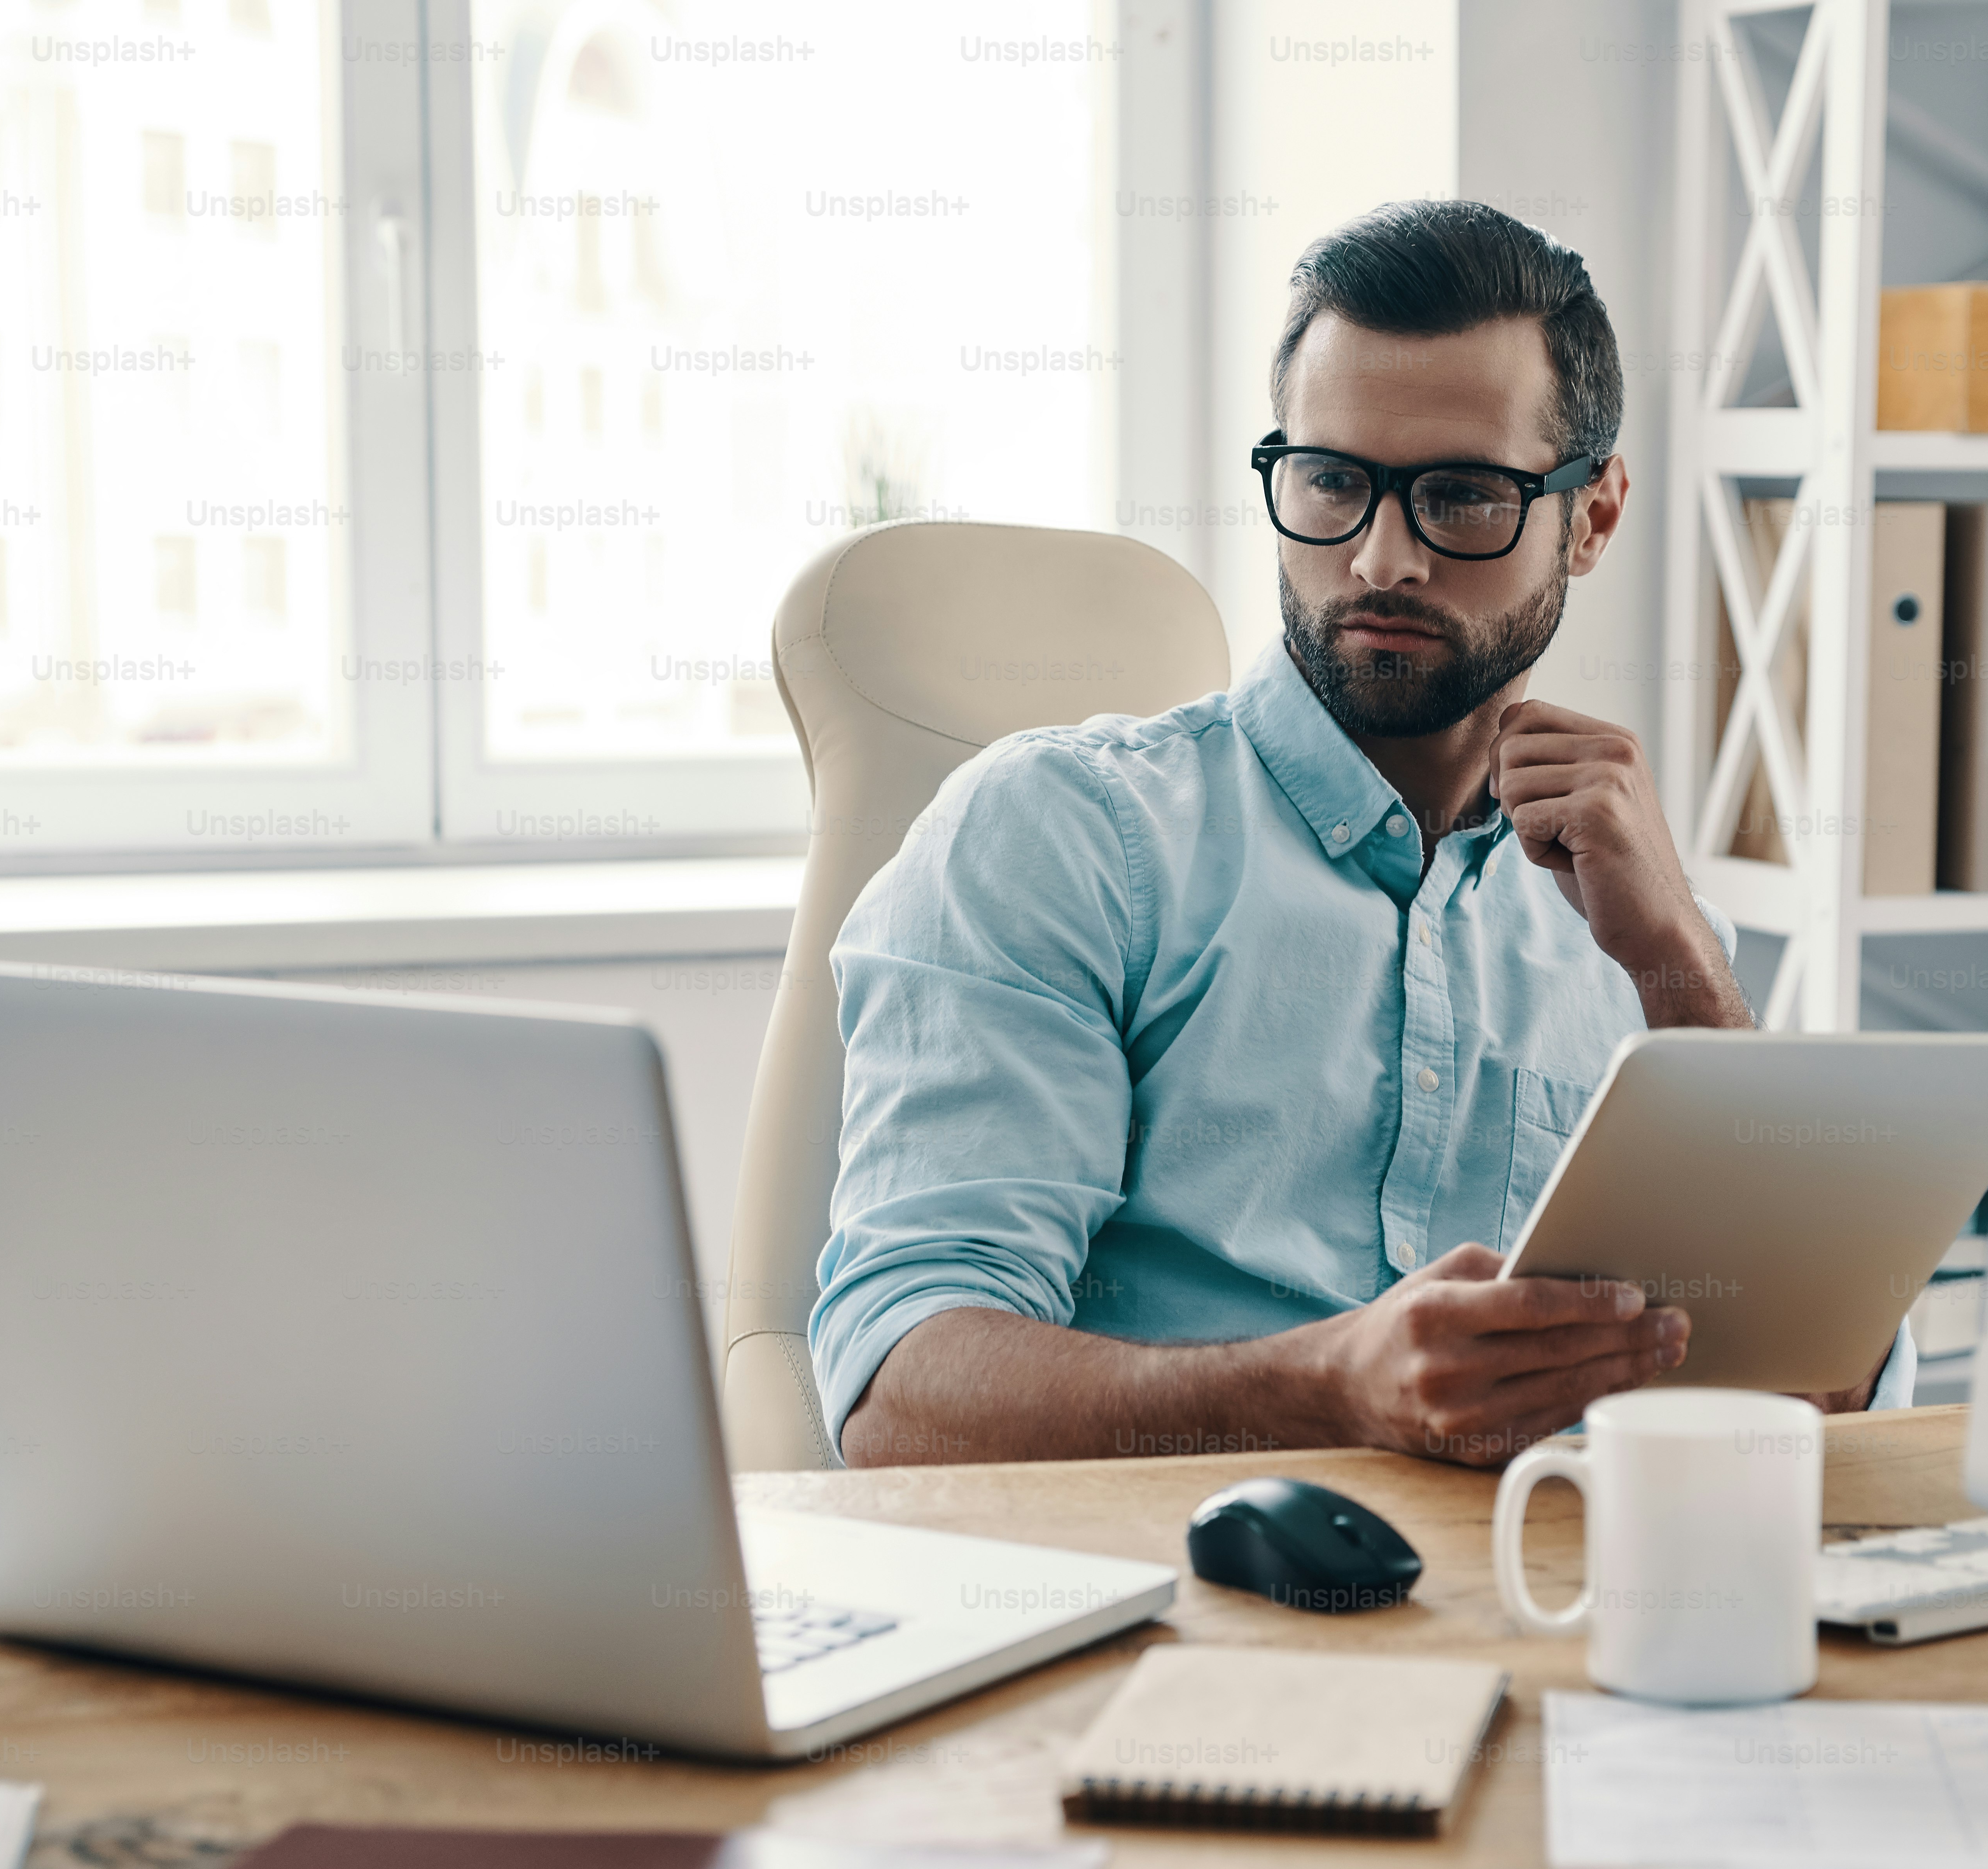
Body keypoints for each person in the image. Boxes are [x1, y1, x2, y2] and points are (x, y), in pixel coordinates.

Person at [811, 199, 1911, 1469]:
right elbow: (901, 1397)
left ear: (1593, 517)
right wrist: (1329, 1389)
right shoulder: (1061, 837)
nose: (1383, 560)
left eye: (1460, 496)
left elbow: (1827, 1389)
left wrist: (1682, 964)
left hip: (1529, 1605)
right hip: (1167, 1621)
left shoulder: (1641, 926)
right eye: (1332, 481)